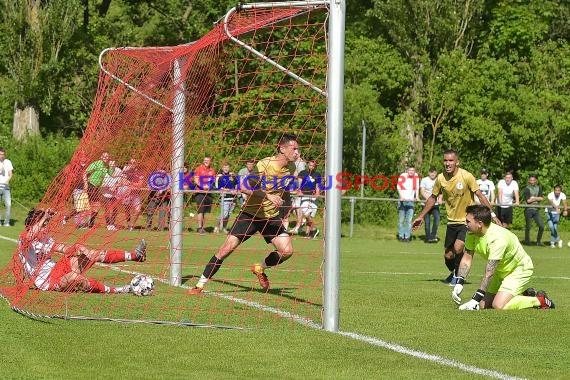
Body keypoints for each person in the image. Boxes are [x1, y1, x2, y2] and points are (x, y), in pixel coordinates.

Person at [187, 133, 299, 294]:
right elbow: (244, 187)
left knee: (287, 250)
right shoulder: (265, 164)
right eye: (294, 148)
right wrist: (268, 196)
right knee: (226, 249)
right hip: (250, 214)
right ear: (282, 148)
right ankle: (199, 285)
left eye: (297, 149)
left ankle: (259, 268)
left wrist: (287, 204)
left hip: (270, 217)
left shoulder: (292, 168)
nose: (297, 152)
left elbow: (284, 188)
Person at [412, 149, 501, 285]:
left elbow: (480, 196)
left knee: (459, 247)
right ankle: (455, 273)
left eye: (451, 160)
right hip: (451, 222)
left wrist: (492, 215)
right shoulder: (440, 179)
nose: (447, 163)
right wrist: (421, 216)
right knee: (448, 255)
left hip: (467, 221)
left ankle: (459, 277)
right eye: (445, 160)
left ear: (457, 162)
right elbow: (432, 198)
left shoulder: (466, 176)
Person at [15, 209, 147, 294]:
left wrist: (79, 249)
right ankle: (117, 290)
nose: (46, 227)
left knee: (91, 253)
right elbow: (30, 236)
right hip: (47, 282)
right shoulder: (23, 239)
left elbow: (62, 248)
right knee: (75, 277)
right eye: (43, 224)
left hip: (58, 269)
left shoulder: (45, 238)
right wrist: (43, 217)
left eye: (46, 224)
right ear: (32, 225)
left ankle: (136, 255)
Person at [451, 205, 555, 310]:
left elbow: (489, 273)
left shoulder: (497, 239)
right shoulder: (472, 233)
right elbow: (467, 257)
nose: (465, 224)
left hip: (519, 269)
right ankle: (524, 294)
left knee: (498, 305)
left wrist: (475, 299)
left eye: (468, 221)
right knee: (483, 305)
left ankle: (540, 300)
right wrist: (459, 282)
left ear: (479, 224)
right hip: (500, 270)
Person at [83, 152, 112, 227]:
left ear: (109, 158)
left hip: (96, 188)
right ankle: (89, 224)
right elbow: (84, 173)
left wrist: (112, 166)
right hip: (91, 185)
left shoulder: (107, 166)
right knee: (93, 206)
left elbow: (111, 174)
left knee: (95, 207)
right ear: (101, 157)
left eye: (107, 156)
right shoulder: (96, 164)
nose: (105, 158)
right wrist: (86, 184)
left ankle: (90, 224)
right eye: (104, 156)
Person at [296, 159, 321, 239]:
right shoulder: (303, 173)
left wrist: (317, 193)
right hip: (304, 196)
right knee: (305, 213)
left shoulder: (317, 174)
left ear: (315, 166)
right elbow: (299, 184)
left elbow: (317, 186)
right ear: (307, 165)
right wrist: (299, 191)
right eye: (310, 165)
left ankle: (309, 234)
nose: (311, 167)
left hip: (312, 197)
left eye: (313, 166)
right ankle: (314, 229)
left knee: (310, 216)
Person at [193, 156, 216, 234]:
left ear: (210, 161)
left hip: (208, 193)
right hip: (199, 192)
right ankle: (199, 228)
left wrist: (209, 185)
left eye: (207, 160)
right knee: (200, 209)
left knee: (205, 211)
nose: (206, 161)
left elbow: (213, 181)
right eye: (204, 160)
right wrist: (203, 186)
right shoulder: (198, 169)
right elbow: (196, 180)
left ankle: (202, 227)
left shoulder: (212, 170)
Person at [397, 166, 420, 242]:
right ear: (407, 170)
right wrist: (401, 197)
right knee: (401, 220)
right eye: (410, 170)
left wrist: (417, 196)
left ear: (414, 171)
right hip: (402, 200)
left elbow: (416, 187)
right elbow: (399, 187)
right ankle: (401, 236)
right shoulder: (403, 176)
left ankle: (407, 237)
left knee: (409, 221)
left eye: (413, 170)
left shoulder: (416, 176)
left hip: (410, 201)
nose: (411, 172)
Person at [419, 167, 442, 243]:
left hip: (435, 205)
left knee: (437, 219)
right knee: (427, 222)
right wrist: (429, 200)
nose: (432, 174)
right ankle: (428, 237)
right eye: (431, 172)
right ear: (428, 173)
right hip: (426, 204)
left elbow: (440, 192)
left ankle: (433, 236)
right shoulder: (424, 180)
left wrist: (440, 199)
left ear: (436, 173)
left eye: (434, 172)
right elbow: (422, 191)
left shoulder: (438, 180)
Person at [214, 163, 238, 233]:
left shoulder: (232, 175)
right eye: (224, 167)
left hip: (233, 198)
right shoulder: (220, 176)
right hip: (224, 198)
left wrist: (236, 190)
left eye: (227, 167)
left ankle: (224, 227)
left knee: (228, 214)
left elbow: (236, 184)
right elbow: (218, 187)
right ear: (222, 168)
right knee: (224, 214)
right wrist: (230, 190)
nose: (226, 169)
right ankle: (217, 227)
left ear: (229, 168)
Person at [522, 174, 544, 246]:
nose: (532, 181)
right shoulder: (527, 189)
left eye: (533, 180)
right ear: (529, 181)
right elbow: (528, 201)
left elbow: (541, 198)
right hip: (528, 209)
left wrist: (533, 198)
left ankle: (538, 241)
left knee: (541, 226)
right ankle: (527, 241)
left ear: (536, 181)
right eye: (531, 180)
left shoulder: (539, 188)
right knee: (528, 226)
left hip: (536, 210)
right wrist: (536, 198)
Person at [0, 147, 14, 227]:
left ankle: (6, 222)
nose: (2, 156)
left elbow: (10, 174)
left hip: (6, 187)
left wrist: (8, 180)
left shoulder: (8, 162)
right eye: (0, 154)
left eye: (3, 154)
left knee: (8, 205)